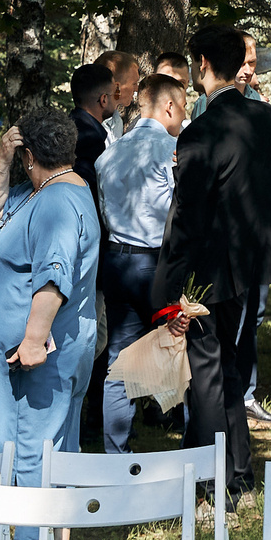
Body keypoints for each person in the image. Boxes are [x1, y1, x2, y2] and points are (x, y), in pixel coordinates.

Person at [0, 106, 104, 540]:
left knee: (31, 454)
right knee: (52, 452)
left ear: (30, 155)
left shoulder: (58, 200)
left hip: (36, 360)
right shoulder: (38, 191)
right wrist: (2, 158)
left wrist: (34, 339)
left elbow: (54, 276)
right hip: (40, 356)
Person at [156, 23, 271, 496]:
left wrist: (169, 282)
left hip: (207, 268)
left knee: (206, 373)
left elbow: (187, 217)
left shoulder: (199, 134)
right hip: (252, 257)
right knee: (228, 365)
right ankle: (239, 471)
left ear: (206, 66)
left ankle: (212, 482)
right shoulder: (266, 118)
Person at [94, 72, 185, 452]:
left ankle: (116, 452)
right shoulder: (171, 151)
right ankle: (196, 451)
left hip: (116, 261)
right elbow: (179, 212)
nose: (184, 114)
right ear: (168, 106)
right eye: (183, 106)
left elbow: (102, 210)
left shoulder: (109, 152)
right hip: (157, 265)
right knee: (184, 351)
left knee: (120, 360)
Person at [69, 60, 115, 180]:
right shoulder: (91, 140)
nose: (117, 99)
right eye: (115, 94)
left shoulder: (68, 125)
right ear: (103, 99)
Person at [99, 49, 143, 140]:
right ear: (117, 87)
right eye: (134, 83)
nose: (137, 89)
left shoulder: (117, 120)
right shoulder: (91, 123)